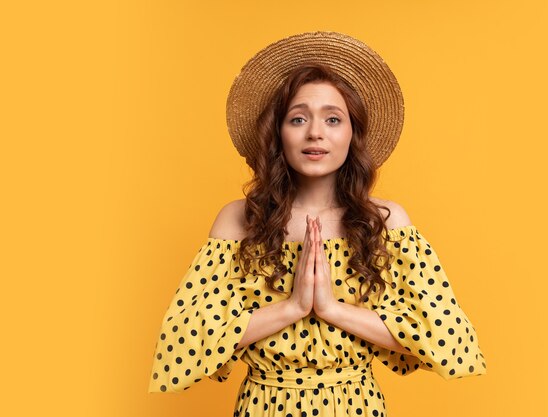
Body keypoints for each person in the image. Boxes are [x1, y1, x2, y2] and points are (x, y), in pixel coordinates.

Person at [148, 31, 487, 416]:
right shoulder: (239, 221)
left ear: (352, 133)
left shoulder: (385, 222)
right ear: (277, 133)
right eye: (298, 118)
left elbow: (450, 340)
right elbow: (182, 344)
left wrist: (331, 309)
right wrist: (292, 307)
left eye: (332, 118)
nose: (315, 133)